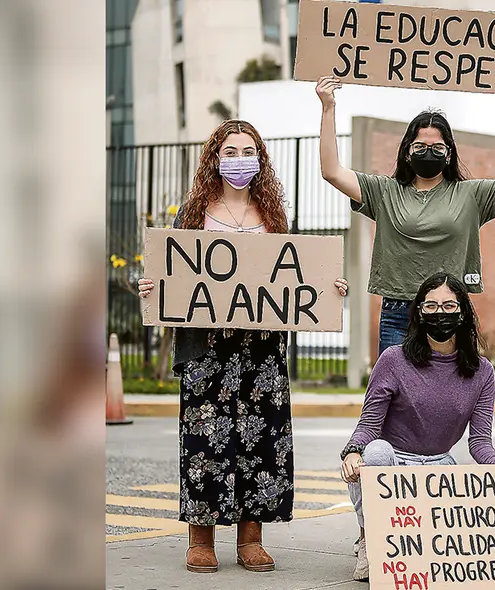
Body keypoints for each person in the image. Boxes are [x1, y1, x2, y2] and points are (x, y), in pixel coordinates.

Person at [138, 119, 349, 574]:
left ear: (261, 159)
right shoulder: (192, 216)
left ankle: (251, 537)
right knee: (204, 440)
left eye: (247, 151)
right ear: (215, 158)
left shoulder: (273, 217)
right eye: (230, 151)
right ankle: (201, 539)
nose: (239, 159)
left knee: (263, 439)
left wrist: (328, 289)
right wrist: (152, 287)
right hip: (206, 346)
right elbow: (174, 275)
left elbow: (294, 277)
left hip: (261, 350)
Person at [315, 75, 495, 356]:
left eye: (437, 148)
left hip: (451, 312)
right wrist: (327, 108)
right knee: (398, 395)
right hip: (398, 313)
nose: (428, 152)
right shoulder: (384, 191)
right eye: (420, 147)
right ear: (407, 153)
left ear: (449, 155)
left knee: (448, 395)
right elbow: (331, 171)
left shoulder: (471, 195)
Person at [338, 272, 495, 582]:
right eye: (431, 306)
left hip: (439, 465)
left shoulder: (482, 371)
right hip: (392, 461)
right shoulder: (393, 359)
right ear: (419, 313)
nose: (440, 314)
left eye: (450, 306)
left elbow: (479, 442)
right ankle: (371, 539)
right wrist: (353, 452)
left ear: (463, 313)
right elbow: (369, 423)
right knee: (377, 452)